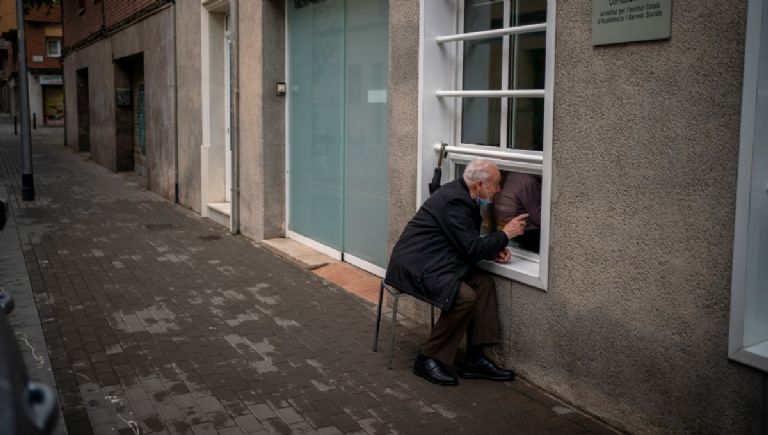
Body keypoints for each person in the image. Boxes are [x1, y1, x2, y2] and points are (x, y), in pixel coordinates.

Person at [385, 159, 528, 386]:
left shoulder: (465, 195)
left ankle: (474, 358)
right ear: (479, 185)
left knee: (483, 284)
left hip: (438, 259)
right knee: (465, 297)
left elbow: (465, 243)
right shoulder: (455, 200)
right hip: (416, 265)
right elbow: (470, 247)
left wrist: (492, 251)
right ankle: (428, 358)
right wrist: (505, 234)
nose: (499, 190)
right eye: (496, 184)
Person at [494, 172, 541, 253]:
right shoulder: (525, 181)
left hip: (504, 232)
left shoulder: (512, 175)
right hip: (524, 235)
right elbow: (540, 218)